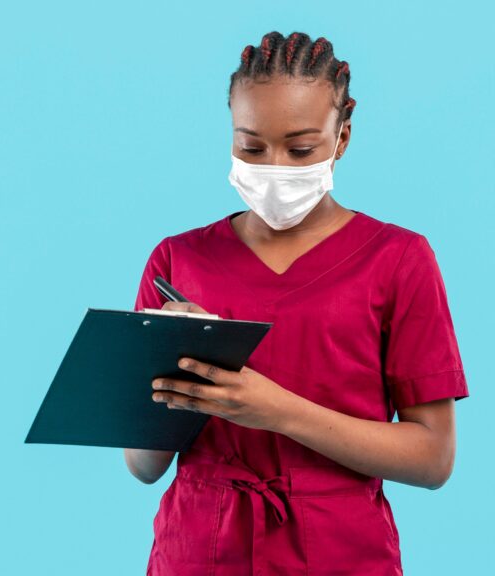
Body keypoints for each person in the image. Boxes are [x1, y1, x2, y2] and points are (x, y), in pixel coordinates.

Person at [122, 31, 469, 575]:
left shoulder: (399, 259)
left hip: (339, 551)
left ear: (342, 140)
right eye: (251, 147)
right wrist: (171, 368)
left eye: (301, 148)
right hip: (199, 549)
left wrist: (276, 411)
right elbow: (143, 466)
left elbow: (433, 459)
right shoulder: (176, 261)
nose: (275, 168)